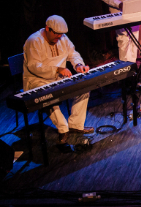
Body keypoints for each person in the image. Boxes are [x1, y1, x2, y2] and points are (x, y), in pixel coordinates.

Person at [23, 15, 93, 144]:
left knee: (83, 89)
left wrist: (78, 65)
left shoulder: (63, 38)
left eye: (61, 34)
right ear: (47, 28)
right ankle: (63, 129)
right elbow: (34, 67)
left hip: (58, 78)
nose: (59, 37)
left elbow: (73, 53)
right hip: (37, 80)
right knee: (50, 97)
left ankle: (76, 125)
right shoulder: (34, 41)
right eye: (56, 34)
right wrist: (57, 69)